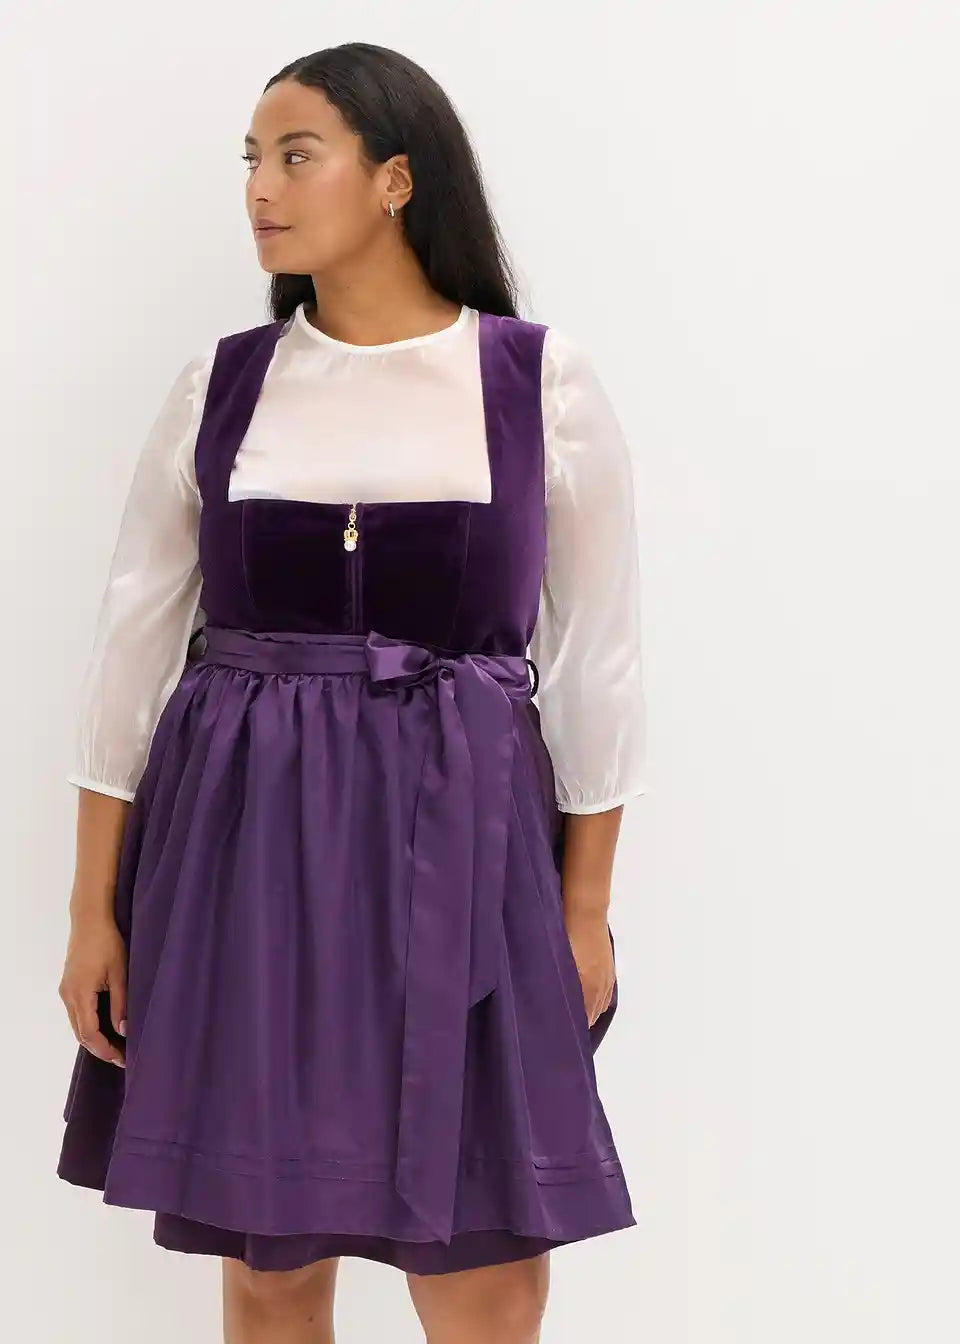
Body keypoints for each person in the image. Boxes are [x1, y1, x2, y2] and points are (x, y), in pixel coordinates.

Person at [56, 41, 648, 1344]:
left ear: (395, 179)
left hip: (471, 841)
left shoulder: (535, 383)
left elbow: (598, 661)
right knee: (269, 1260)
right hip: (245, 845)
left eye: (296, 155)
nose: (260, 189)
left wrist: (586, 907)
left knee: (485, 1264)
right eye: (250, 161)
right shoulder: (221, 386)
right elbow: (129, 657)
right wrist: (93, 909)